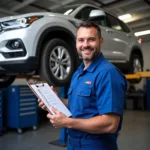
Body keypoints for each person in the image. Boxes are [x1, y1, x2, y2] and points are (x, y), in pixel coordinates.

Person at [38, 21, 127, 150]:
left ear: (100, 41)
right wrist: (57, 100)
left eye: (91, 40)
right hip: (73, 144)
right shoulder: (78, 74)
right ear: (76, 43)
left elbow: (110, 123)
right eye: (81, 40)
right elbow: (79, 104)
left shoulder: (108, 73)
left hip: (96, 146)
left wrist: (67, 122)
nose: (85, 45)